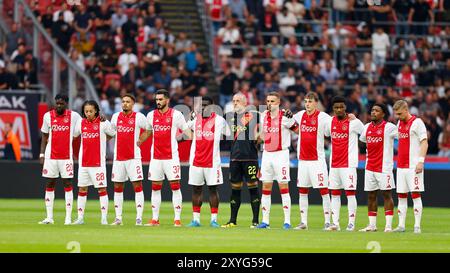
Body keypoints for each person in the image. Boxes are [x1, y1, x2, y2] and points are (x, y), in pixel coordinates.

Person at [141, 89, 191, 227]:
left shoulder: (176, 115)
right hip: (156, 158)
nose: (158, 102)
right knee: (155, 188)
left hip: (171, 157)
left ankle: (177, 219)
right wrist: (139, 142)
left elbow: (188, 133)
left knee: (175, 187)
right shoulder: (151, 115)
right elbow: (148, 132)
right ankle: (155, 219)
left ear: (167, 100)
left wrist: (180, 139)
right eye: (156, 99)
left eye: (160, 99)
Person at [186, 96, 231, 227]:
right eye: (202, 105)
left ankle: (214, 220)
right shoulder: (195, 120)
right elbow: (184, 128)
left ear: (212, 106)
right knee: (196, 190)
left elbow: (228, 134)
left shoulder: (220, 120)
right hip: (196, 161)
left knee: (213, 190)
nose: (203, 107)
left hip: (213, 162)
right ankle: (196, 220)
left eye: (206, 105)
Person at [256, 92, 298, 229]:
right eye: (268, 101)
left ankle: (287, 222)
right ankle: (265, 221)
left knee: (283, 188)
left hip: (281, 154)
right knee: (266, 188)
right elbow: (263, 134)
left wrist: (293, 120)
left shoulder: (285, 116)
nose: (269, 103)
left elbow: (298, 131)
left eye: (272, 101)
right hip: (267, 154)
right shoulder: (263, 116)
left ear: (279, 102)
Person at [292, 92, 332, 230]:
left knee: (324, 190)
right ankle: (303, 222)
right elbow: (290, 121)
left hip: (317, 160)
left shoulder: (323, 117)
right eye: (306, 101)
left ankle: (328, 221)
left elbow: (330, 131)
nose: (307, 104)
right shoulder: (300, 115)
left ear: (316, 102)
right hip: (303, 160)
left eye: (310, 101)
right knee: (302, 190)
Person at [38, 94, 80, 225]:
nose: (59, 105)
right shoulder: (47, 116)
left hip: (66, 158)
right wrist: (41, 155)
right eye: (57, 103)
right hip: (51, 157)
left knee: (68, 184)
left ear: (66, 103)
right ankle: (49, 217)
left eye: (61, 103)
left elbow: (83, 126)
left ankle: (68, 217)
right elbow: (44, 137)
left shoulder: (74, 116)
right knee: (50, 184)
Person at [72, 100, 116, 225]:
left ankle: (104, 218)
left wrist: (104, 139)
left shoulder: (103, 123)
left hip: (98, 163)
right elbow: (75, 135)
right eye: (86, 111)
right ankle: (80, 217)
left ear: (96, 110)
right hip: (84, 163)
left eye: (91, 111)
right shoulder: (81, 123)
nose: (88, 114)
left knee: (102, 189)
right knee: (82, 189)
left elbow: (113, 133)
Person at [325, 96, 364, 231]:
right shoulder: (330, 122)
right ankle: (335, 223)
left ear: (345, 107)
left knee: (350, 194)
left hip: (349, 165)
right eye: (336, 107)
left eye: (341, 107)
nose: (339, 109)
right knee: (334, 194)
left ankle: (351, 223)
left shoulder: (354, 122)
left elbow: (365, 135)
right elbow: (325, 133)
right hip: (334, 164)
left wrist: (357, 119)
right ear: (333, 109)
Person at [221, 93, 261, 228]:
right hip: (235, 158)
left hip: (250, 157)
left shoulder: (254, 115)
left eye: (238, 101)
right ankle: (232, 220)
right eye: (233, 101)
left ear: (245, 102)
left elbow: (268, 124)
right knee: (235, 190)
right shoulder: (229, 117)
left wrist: (260, 136)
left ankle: (255, 221)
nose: (235, 103)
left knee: (253, 189)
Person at [110, 94, 149, 226]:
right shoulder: (115, 117)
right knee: (117, 187)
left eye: (128, 102)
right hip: (118, 158)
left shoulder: (139, 117)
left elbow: (149, 129)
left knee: (137, 186)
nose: (125, 104)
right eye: (123, 101)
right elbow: (111, 132)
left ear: (133, 104)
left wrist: (141, 140)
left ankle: (139, 218)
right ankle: (118, 218)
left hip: (134, 158)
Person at [359, 103, 398, 232]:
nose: (373, 112)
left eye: (377, 110)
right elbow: (363, 140)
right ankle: (372, 225)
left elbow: (403, 135)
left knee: (387, 195)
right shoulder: (366, 128)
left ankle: (388, 226)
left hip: (384, 168)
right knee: (371, 195)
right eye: (372, 110)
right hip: (369, 167)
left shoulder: (390, 128)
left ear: (383, 114)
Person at [392, 100, 428, 233]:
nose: (398, 116)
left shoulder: (417, 123)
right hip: (401, 165)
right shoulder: (399, 123)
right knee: (401, 195)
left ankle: (417, 226)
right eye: (396, 114)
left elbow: (424, 142)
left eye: (400, 113)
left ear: (406, 110)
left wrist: (421, 161)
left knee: (415, 195)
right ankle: (401, 225)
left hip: (413, 166)